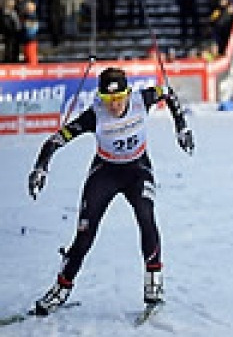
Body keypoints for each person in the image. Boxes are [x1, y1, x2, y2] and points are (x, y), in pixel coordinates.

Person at [26, 67, 193, 315]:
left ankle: (153, 283)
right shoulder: (95, 115)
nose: (114, 105)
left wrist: (182, 127)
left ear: (128, 93)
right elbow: (56, 139)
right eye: (107, 100)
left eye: (118, 98)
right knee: (85, 234)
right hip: (105, 173)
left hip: (138, 169)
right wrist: (41, 168)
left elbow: (168, 93)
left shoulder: (142, 99)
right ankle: (60, 290)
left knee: (146, 218)